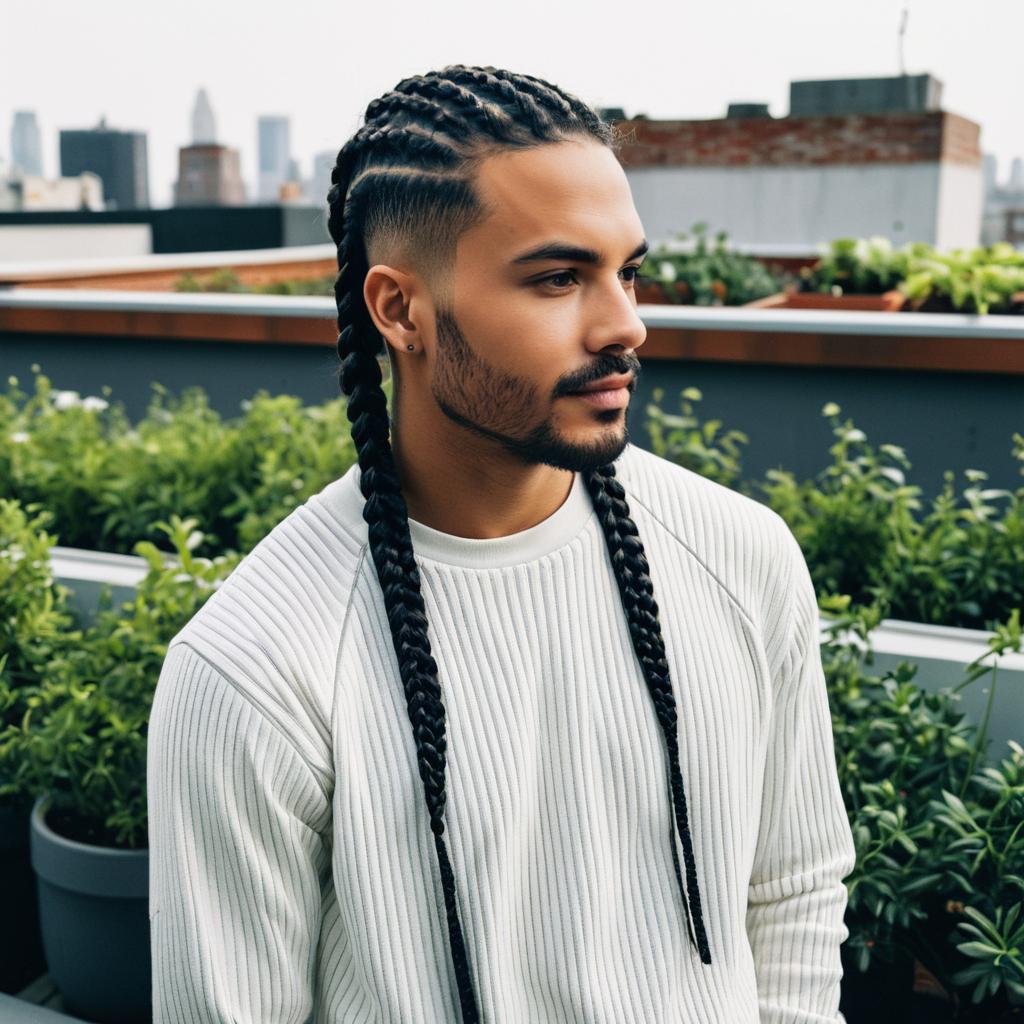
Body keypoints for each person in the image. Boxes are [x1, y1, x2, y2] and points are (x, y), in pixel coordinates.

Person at [147, 64, 857, 1023]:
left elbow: (793, 895)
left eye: (628, 271)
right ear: (398, 310)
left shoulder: (741, 557)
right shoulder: (255, 672)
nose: (626, 325)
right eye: (559, 278)